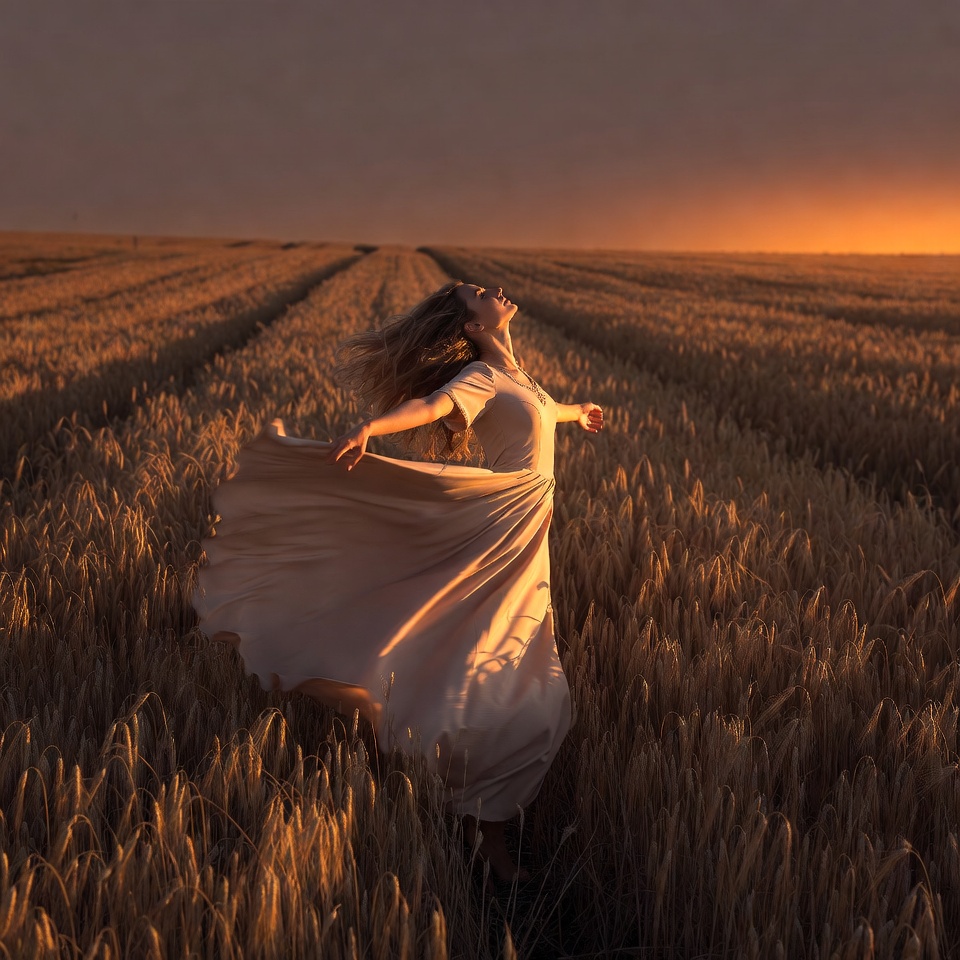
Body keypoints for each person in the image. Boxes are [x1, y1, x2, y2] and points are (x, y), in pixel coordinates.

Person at [194, 279, 603, 884]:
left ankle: (469, 802)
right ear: (471, 326)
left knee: (512, 659)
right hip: (499, 526)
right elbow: (432, 407)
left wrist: (575, 412)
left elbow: (543, 411)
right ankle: (468, 807)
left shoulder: (519, 376)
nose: (493, 289)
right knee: (487, 654)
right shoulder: (481, 379)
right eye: (477, 293)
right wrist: (371, 430)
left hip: (525, 531)